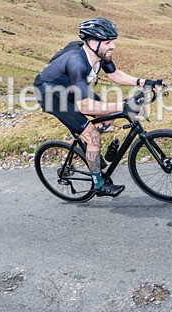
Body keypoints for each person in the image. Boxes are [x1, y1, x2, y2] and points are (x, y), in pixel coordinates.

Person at [34, 18, 161, 197]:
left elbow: (115, 75)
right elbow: (84, 105)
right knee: (93, 136)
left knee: (110, 116)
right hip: (51, 95)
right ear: (93, 42)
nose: (113, 46)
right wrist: (125, 105)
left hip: (72, 89)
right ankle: (99, 184)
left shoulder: (99, 55)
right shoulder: (77, 62)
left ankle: (90, 150)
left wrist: (144, 82)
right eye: (108, 42)